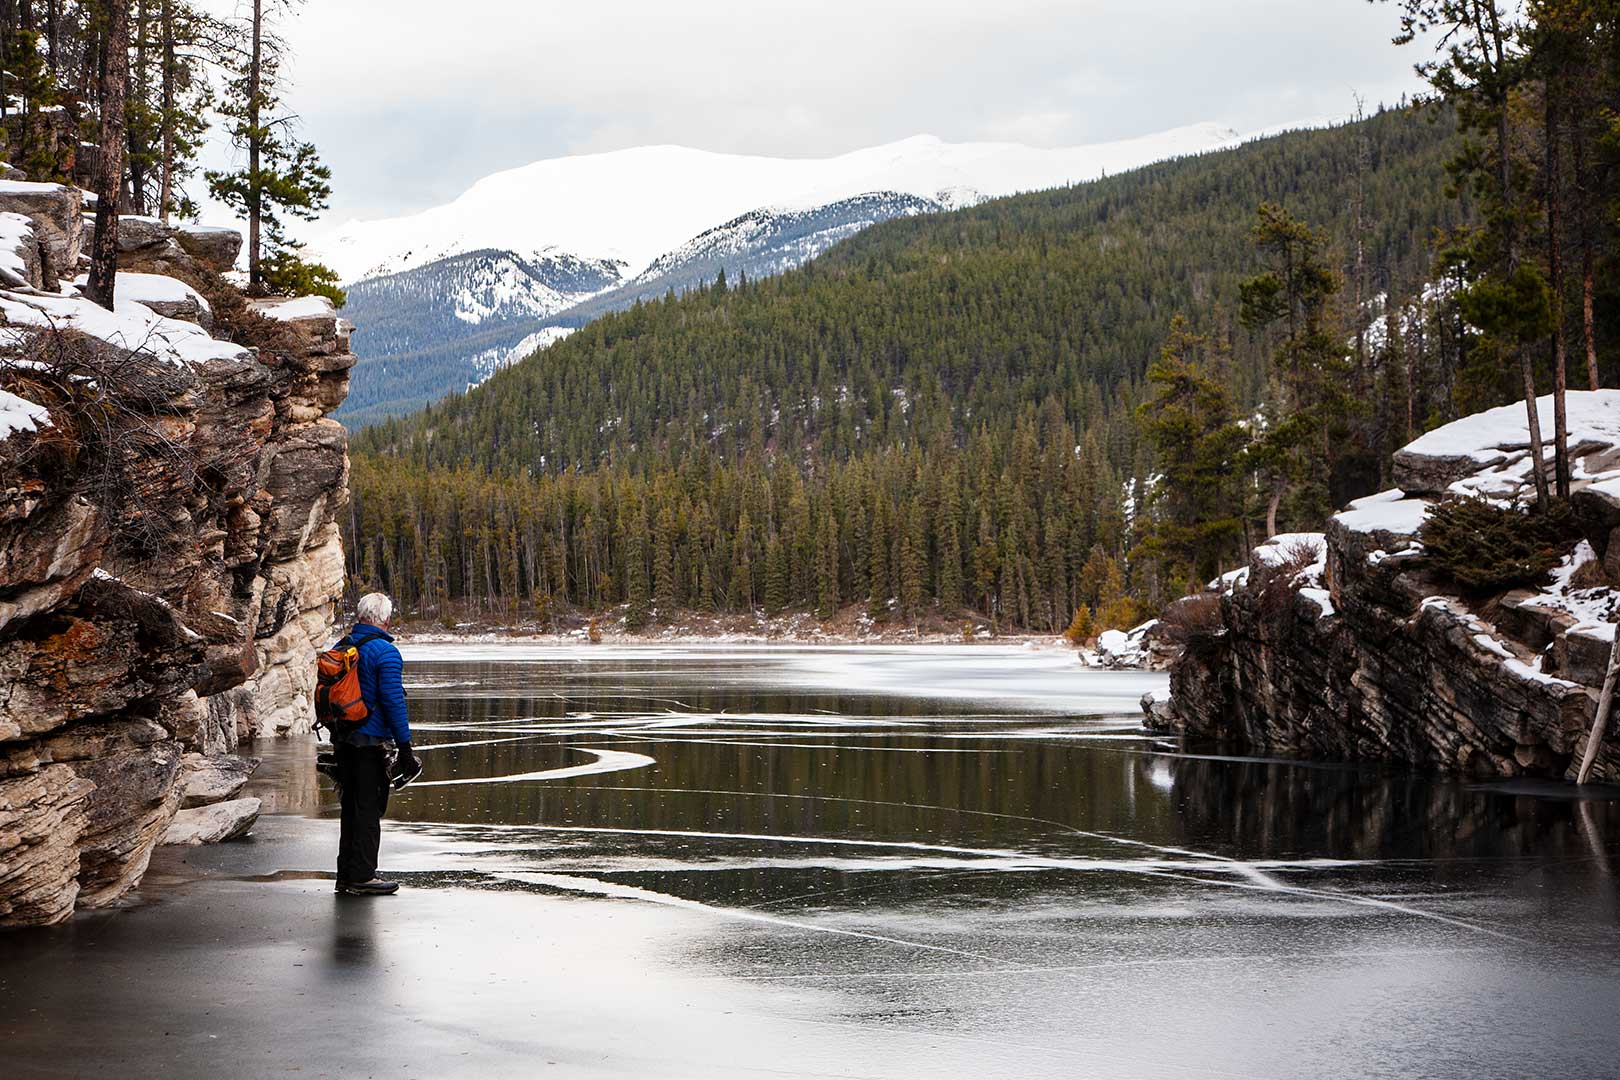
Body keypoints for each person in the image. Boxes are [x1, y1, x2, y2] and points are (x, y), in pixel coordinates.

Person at [333, 592, 419, 896]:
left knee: (351, 808)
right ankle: (363, 876)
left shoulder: (341, 647)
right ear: (385, 619)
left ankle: (346, 873)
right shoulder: (385, 652)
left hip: (343, 740)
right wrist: (405, 748)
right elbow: (394, 701)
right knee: (369, 809)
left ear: (361, 616)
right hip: (370, 742)